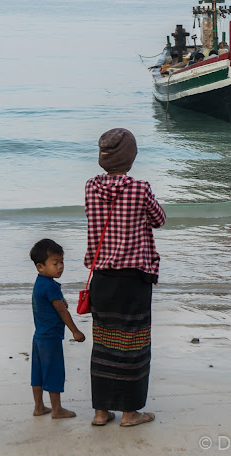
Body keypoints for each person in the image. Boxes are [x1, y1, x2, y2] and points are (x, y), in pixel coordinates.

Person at [84, 128, 166, 427]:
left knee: (103, 343)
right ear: (130, 158)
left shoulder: (91, 187)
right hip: (133, 278)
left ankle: (101, 411)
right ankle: (130, 413)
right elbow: (159, 219)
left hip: (102, 277)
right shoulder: (140, 188)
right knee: (133, 342)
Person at [29, 238, 85, 418]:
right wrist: (75, 331)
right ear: (40, 267)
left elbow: (52, 306)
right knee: (54, 372)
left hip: (38, 336)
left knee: (37, 373)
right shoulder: (51, 286)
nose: (60, 266)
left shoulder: (40, 283)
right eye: (55, 263)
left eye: (62, 262)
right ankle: (56, 409)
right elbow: (62, 312)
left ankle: (38, 407)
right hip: (51, 338)